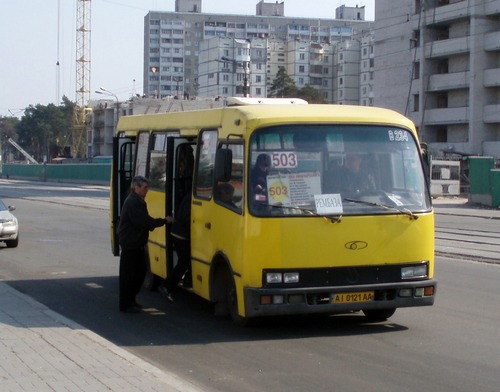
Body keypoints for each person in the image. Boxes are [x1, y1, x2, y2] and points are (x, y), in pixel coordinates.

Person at [117, 176, 167, 313]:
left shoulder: (137, 200)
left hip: (136, 244)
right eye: (145, 187)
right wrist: (164, 221)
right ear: (136, 188)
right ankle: (126, 303)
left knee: (139, 273)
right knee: (130, 276)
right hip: (130, 245)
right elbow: (145, 222)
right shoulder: (133, 202)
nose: (147, 190)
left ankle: (130, 300)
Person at [158, 190, 192, 303]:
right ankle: (166, 286)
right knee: (184, 262)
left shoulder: (190, 195)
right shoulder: (192, 198)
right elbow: (187, 218)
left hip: (179, 232)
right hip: (180, 235)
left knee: (186, 260)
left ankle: (187, 280)